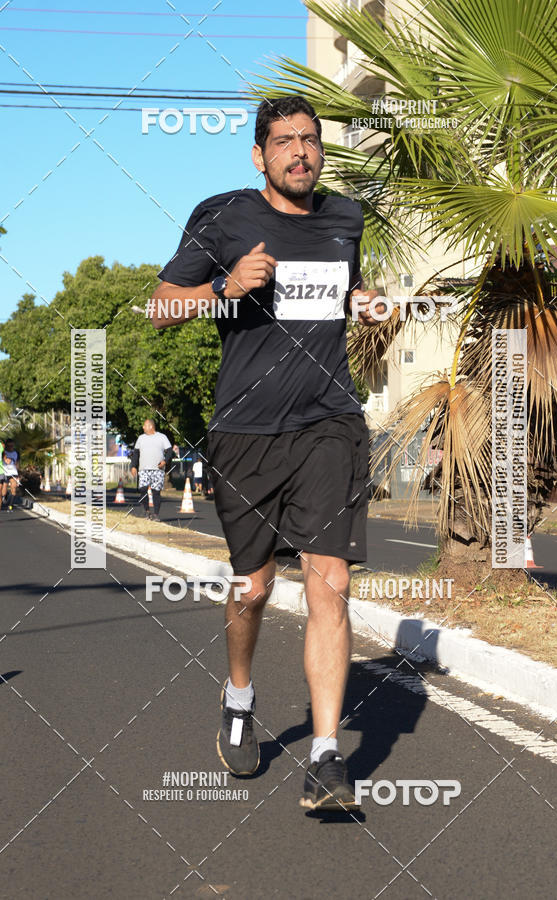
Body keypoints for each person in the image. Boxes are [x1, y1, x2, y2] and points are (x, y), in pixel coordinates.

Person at [149, 95, 382, 811]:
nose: (300, 153)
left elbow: (340, 293)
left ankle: (324, 758)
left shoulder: (346, 217)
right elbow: (161, 303)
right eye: (284, 142)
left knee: (328, 581)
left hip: (329, 423)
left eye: (310, 141)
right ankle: (240, 694)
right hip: (246, 431)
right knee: (253, 589)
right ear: (260, 155)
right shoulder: (224, 216)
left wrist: (368, 302)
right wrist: (223, 286)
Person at [130, 419, 172, 521]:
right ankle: (147, 512)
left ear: (150, 426)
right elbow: (135, 453)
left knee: (156, 492)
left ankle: (156, 514)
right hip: (144, 469)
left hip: (157, 470)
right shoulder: (141, 438)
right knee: (143, 489)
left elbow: (170, 451)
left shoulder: (162, 437)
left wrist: (165, 461)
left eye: (145, 425)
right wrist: (133, 466)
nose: (143, 427)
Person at [3, 438, 20, 511]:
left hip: (13, 472)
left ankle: (10, 505)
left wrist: (18, 475)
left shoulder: (16, 453)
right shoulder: (3, 452)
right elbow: (4, 460)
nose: (10, 448)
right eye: (9, 446)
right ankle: (4, 496)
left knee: (14, 487)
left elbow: (17, 463)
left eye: (12, 446)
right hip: (4, 472)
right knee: (4, 490)